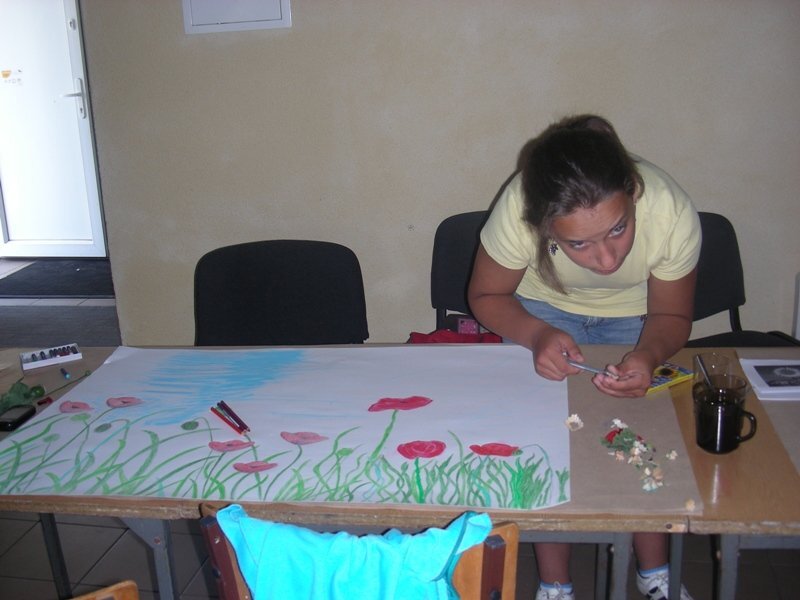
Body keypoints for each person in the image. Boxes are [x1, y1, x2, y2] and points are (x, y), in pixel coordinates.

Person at [467, 114, 700, 600]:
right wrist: (536, 335)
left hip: (638, 317)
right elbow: (487, 296)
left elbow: (672, 316)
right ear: (543, 226)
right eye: (579, 244)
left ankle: (654, 573)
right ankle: (555, 585)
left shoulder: (670, 210)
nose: (607, 260)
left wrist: (648, 354)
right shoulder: (519, 207)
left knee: (639, 434)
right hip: (538, 311)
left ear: (633, 191)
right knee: (547, 440)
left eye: (619, 229)